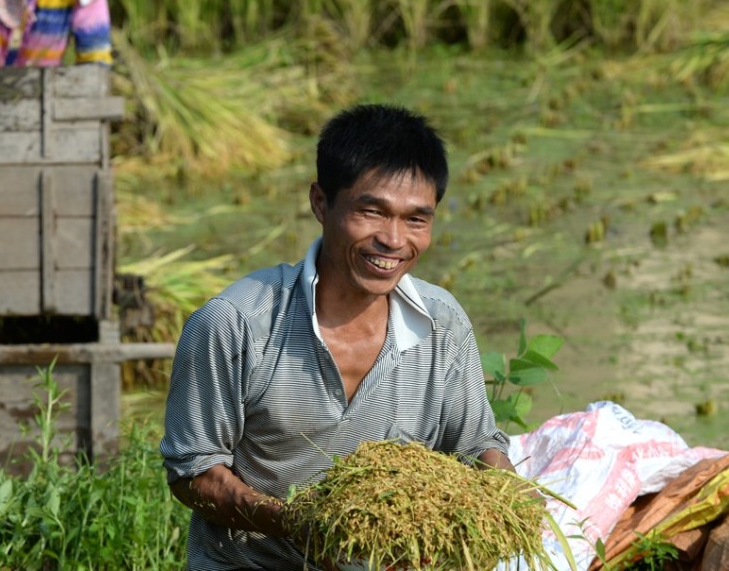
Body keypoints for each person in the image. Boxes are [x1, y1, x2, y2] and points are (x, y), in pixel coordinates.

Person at [159, 104, 515, 570]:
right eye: (372, 211)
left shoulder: (442, 323)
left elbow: (475, 445)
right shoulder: (237, 322)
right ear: (321, 203)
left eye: (416, 219)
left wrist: (511, 500)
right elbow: (193, 473)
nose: (393, 240)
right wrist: (301, 525)